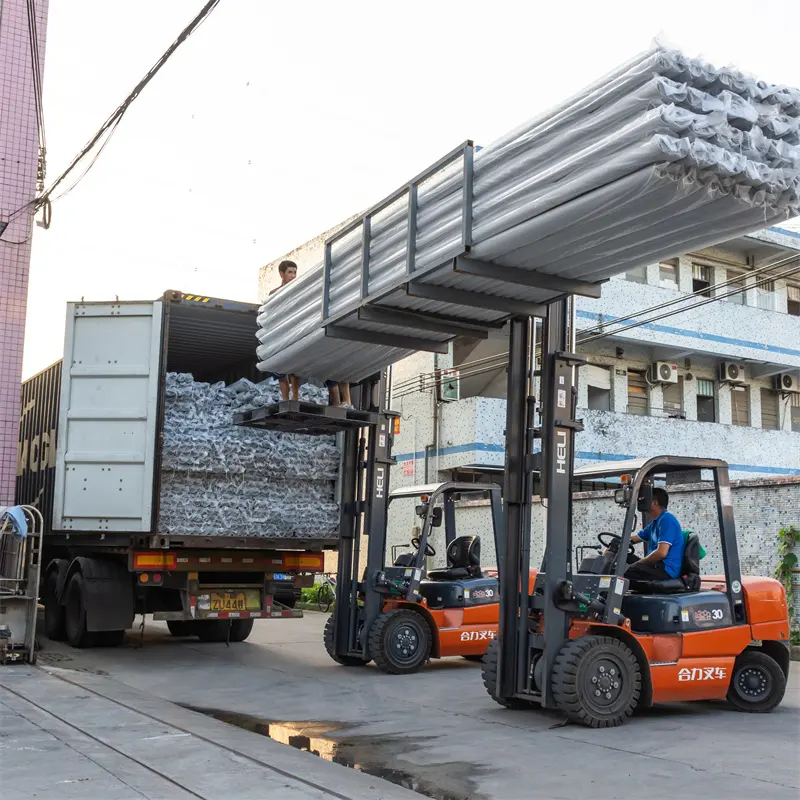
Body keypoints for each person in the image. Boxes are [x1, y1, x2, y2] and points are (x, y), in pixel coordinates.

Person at [624, 487, 685, 582]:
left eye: (644, 500)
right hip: (655, 566)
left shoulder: (667, 520)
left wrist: (639, 563)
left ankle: (608, 596)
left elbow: (661, 553)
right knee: (622, 558)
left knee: (620, 572)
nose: (640, 502)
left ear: (654, 503)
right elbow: (635, 538)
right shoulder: (655, 523)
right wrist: (617, 544)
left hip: (665, 570)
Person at [269, 260, 300, 402]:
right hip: (279, 336)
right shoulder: (274, 293)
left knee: (295, 369)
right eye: (290, 272)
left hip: (294, 333)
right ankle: (285, 399)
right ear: (281, 274)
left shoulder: (299, 291)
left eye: (294, 272)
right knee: (281, 371)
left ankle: (295, 398)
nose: (293, 276)